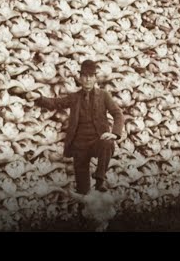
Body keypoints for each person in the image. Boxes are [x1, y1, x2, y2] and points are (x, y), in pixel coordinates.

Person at [28, 60, 124, 194]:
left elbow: (117, 113)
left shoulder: (104, 95)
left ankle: (100, 179)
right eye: (84, 76)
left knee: (108, 143)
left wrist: (115, 133)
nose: (88, 79)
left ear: (95, 78)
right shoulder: (75, 97)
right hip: (80, 145)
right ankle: (84, 211)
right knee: (82, 189)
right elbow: (55, 103)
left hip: (97, 141)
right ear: (80, 78)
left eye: (91, 76)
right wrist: (38, 97)